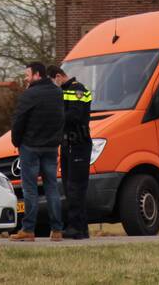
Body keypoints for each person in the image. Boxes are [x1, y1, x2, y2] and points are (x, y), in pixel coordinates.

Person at [9, 61, 64, 241]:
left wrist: (16, 141)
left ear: (37, 75)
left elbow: (19, 120)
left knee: (30, 189)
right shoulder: (58, 93)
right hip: (51, 147)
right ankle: (56, 230)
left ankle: (28, 230)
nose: (26, 78)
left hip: (30, 147)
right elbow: (61, 119)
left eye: (27, 75)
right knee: (52, 188)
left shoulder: (29, 95)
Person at [48, 64, 93, 240]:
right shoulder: (64, 91)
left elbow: (75, 116)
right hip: (68, 144)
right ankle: (81, 228)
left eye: (53, 82)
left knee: (76, 187)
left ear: (59, 76)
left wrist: (55, 117)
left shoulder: (76, 89)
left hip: (78, 143)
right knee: (69, 187)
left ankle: (76, 228)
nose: (53, 86)